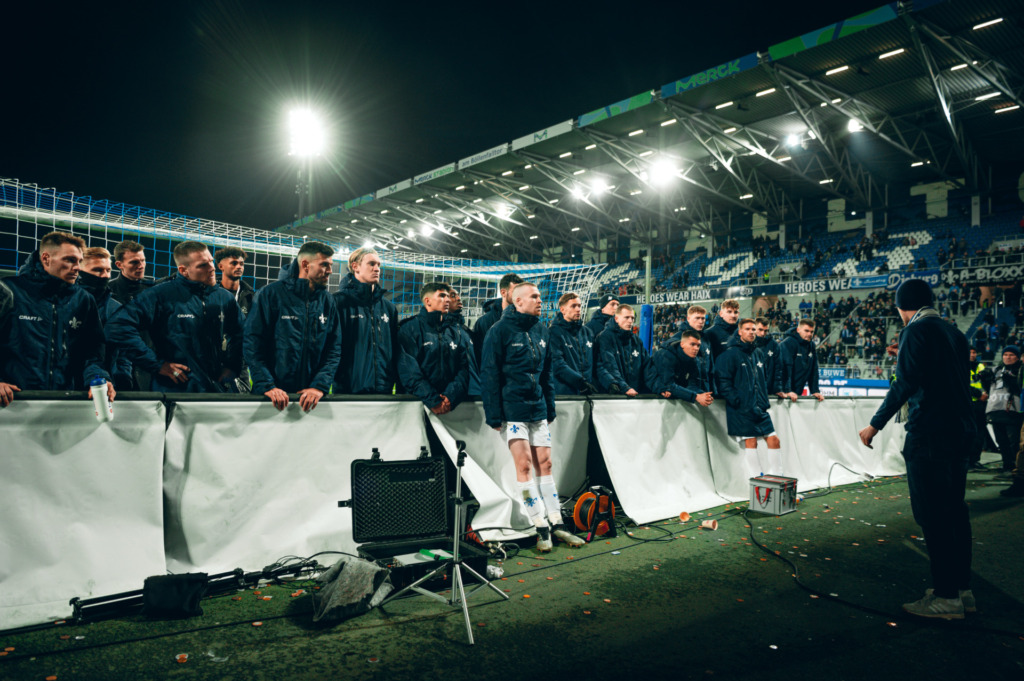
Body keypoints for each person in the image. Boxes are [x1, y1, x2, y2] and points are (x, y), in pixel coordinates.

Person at [858, 279, 975, 620]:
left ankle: (946, 597)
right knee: (955, 512)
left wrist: (874, 424)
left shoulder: (915, 330)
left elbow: (905, 383)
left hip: (931, 434)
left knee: (933, 515)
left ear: (901, 308)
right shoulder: (954, 333)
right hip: (960, 432)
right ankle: (962, 590)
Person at [481, 282, 583, 551]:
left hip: (537, 410)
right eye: (534, 297)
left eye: (540, 296)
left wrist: (549, 407)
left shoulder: (541, 330)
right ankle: (540, 527)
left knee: (546, 464)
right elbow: (490, 374)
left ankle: (557, 523)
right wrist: (494, 415)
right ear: (518, 301)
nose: (540, 301)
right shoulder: (498, 331)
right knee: (524, 466)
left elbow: (547, 373)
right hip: (513, 412)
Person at [106, 241, 243, 393]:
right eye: (202, 265)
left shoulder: (224, 297)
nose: (212, 268)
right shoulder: (160, 295)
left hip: (217, 389)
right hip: (176, 389)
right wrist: (156, 364)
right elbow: (117, 327)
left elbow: (241, 334)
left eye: (211, 261)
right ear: (183, 270)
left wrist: (232, 366)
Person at [0, 232, 113, 407]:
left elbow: (92, 353)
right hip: (13, 403)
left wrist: (98, 378)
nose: (77, 267)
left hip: (62, 403)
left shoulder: (83, 300)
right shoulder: (9, 290)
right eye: (70, 260)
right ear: (46, 258)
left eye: (79, 261)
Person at [243, 241, 341, 412]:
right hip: (272, 397)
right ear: (305, 265)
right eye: (324, 265)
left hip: (312, 399)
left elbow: (334, 348)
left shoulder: (328, 301)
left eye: (331, 265)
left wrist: (319, 386)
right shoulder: (270, 294)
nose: (330, 271)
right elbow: (252, 344)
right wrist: (267, 385)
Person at [715, 318, 782, 475]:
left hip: (759, 408)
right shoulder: (729, 354)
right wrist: (737, 401)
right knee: (751, 442)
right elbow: (723, 382)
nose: (751, 332)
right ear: (740, 332)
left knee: (774, 440)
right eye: (747, 329)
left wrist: (763, 401)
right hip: (742, 409)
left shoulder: (758, 353)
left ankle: (777, 477)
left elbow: (763, 380)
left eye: (753, 329)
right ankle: (757, 479)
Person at [332, 248, 399, 394]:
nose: (377, 269)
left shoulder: (389, 308)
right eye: (371, 264)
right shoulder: (337, 302)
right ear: (355, 266)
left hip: (384, 391)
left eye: (379, 265)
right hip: (348, 392)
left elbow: (395, 351)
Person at [397, 282, 471, 414]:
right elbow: (408, 371)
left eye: (448, 296)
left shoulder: (455, 332)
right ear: (428, 301)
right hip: (416, 406)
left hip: (448, 405)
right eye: (442, 296)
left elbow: (464, 369)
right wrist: (433, 400)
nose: (447, 299)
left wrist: (451, 396)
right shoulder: (409, 329)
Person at [78, 246, 133, 391]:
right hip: (69, 385)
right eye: (98, 270)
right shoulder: (68, 304)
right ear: (79, 270)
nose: (105, 276)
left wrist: (124, 377)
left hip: (108, 387)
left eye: (108, 270)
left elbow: (123, 352)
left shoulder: (117, 308)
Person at [594, 304, 661, 396]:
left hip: (634, 394)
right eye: (626, 317)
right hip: (615, 395)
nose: (630, 321)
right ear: (616, 319)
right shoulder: (605, 337)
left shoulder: (636, 340)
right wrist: (624, 387)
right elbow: (610, 367)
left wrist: (660, 388)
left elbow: (647, 368)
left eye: (632, 318)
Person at [548, 292, 597, 395]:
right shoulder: (553, 332)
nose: (578, 309)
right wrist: (580, 382)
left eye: (579, 306)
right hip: (566, 394)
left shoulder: (587, 332)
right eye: (573, 306)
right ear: (562, 310)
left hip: (588, 391)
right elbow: (557, 364)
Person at [471, 273, 524, 366]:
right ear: (503, 292)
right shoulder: (485, 322)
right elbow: (478, 355)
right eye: (516, 292)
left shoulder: (525, 319)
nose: (519, 296)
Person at [984, 345, 1022, 472]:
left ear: (1017, 357)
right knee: (1001, 440)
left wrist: (1011, 380)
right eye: (1005, 355)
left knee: (1014, 441)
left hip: (1013, 409)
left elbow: (1019, 389)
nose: (1008, 357)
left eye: (1011, 355)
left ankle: (1017, 466)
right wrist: (985, 379)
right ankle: (1007, 465)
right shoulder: (996, 370)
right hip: (995, 408)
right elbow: (988, 388)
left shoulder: (1020, 370)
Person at [653, 330, 714, 406]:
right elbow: (668, 385)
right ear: (682, 344)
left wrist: (702, 395)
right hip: (652, 398)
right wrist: (695, 397)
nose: (696, 348)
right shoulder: (665, 355)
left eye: (698, 345)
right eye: (692, 344)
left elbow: (693, 385)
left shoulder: (694, 359)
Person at [445, 286, 480, 396]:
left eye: (458, 295)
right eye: (453, 296)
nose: (459, 298)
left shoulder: (466, 330)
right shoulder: (441, 331)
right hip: (454, 396)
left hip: (476, 392)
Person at [779, 319, 823, 401]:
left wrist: (815, 391)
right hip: (782, 394)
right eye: (806, 331)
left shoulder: (811, 346)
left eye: (812, 332)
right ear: (798, 330)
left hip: (796, 392)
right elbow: (785, 369)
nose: (809, 334)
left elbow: (814, 370)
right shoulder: (787, 343)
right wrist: (787, 390)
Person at [107, 240, 153, 305]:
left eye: (143, 260)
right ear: (119, 265)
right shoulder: (106, 291)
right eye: (134, 262)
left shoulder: (153, 289)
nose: (141, 266)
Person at [215, 246, 255, 316]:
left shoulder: (250, 296)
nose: (239, 267)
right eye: (234, 263)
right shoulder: (210, 293)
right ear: (221, 266)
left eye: (241, 264)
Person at [967, 348, 990, 470]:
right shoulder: (961, 365)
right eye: (970, 352)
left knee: (979, 433)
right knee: (967, 432)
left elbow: (987, 382)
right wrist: (978, 394)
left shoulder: (980, 366)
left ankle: (975, 460)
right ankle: (967, 460)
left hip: (980, 404)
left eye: (974, 353)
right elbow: (962, 384)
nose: (972, 355)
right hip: (968, 403)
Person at [754, 317, 785, 398]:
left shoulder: (774, 345)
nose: (763, 333)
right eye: (760, 330)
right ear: (754, 328)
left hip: (768, 390)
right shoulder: (748, 343)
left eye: (766, 331)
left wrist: (778, 388)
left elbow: (778, 367)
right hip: (750, 390)